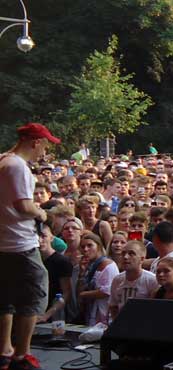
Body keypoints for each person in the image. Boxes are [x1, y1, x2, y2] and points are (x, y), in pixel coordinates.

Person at [1, 123, 58, 370]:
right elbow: (24, 206)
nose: (44, 151)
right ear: (35, 141)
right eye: (45, 145)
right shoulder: (18, 167)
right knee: (33, 296)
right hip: (20, 244)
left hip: (3, 243)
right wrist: (42, 214)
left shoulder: (3, 160)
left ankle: (4, 350)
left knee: (4, 298)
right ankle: (22, 356)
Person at [108, 240, 159, 319]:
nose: (125, 257)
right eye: (123, 253)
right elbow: (113, 306)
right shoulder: (117, 280)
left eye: (131, 254)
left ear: (142, 259)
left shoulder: (152, 281)